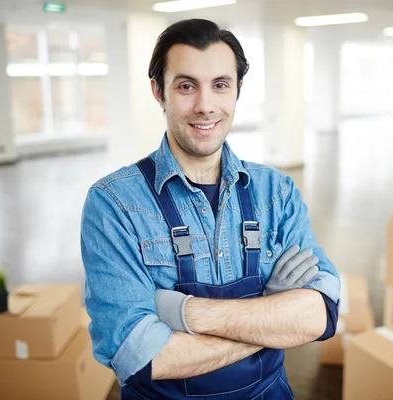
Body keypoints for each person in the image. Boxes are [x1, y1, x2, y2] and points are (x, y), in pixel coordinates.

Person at [80, 18, 340, 400]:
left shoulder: (276, 192)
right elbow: (139, 356)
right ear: (159, 92)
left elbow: (322, 312)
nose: (205, 106)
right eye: (186, 86)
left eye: (220, 85)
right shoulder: (114, 204)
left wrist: (187, 313)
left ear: (236, 91)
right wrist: (270, 314)